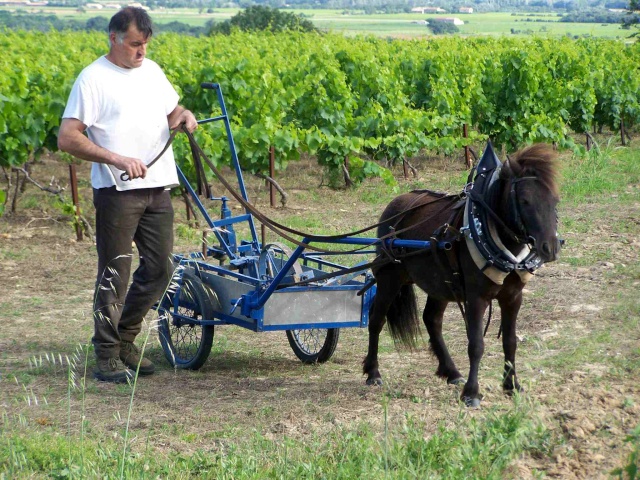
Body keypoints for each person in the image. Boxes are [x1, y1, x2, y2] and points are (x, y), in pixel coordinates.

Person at [58, 7, 197, 383]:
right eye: (135, 44)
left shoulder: (151, 72)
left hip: (158, 187)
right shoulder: (92, 79)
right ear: (114, 37)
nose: (141, 52)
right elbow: (68, 136)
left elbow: (171, 112)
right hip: (117, 192)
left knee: (161, 269)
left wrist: (183, 116)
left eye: (146, 44)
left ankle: (125, 339)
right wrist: (116, 158)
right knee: (115, 272)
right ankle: (105, 355)